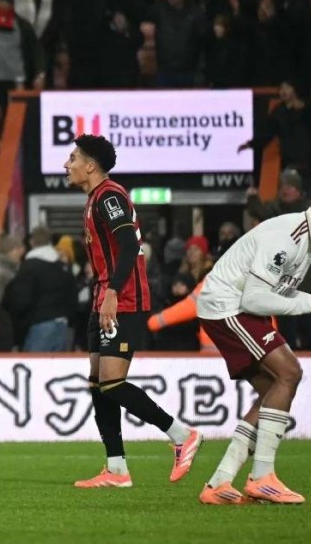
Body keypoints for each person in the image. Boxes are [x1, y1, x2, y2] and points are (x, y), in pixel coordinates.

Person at [196, 174, 311, 505]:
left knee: (274, 388)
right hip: (227, 305)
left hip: (236, 305)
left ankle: (219, 483)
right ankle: (262, 477)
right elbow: (255, 298)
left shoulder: (310, 240)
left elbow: (278, 292)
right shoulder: (289, 236)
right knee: (289, 372)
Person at [64, 134, 202, 489]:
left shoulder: (109, 196)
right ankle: (116, 469)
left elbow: (129, 245)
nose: (67, 164)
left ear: (90, 166)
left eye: (73, 158)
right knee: (99, 383)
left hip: (124, 300)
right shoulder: (95, 199)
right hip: (104, 299)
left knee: (112, 381)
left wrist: (112, 293)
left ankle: (181, 434)